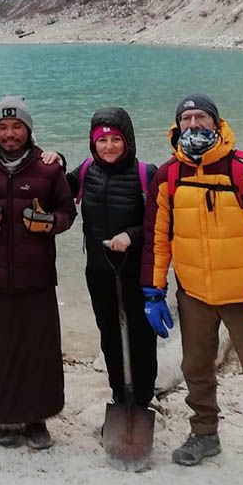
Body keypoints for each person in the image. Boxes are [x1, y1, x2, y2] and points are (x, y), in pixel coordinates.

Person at [141, 94, 243, 485]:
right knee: (195, 368)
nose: (194, 125)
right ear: (176, 126)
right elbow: (157, 240)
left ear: (216, 122)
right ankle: (205, 433)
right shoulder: (169, 177)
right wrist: (154, 292)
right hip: (193, 294)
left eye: (201, 117)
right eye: (186, 118)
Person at [0, 96, 76, 450]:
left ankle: (38, 420)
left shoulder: (48, 169)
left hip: (37, 278)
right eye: (3, 127)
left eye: (17, 127)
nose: (10, 134)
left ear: (28, 129)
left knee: (39, 350)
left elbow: (68, 212)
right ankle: (4, 420)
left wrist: (51, 223)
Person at [57, 108, 158, 410]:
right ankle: (119, 394)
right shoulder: (87, 170)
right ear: (93, 143)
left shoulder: (145, 174)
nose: (109, 146)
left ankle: (142, 399)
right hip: (99, 271)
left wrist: (131, 235)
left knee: (141, 335)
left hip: (135, 270)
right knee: (110, 334)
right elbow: (56, 190)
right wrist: (54, 159)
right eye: (102, 140)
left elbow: (162, 224)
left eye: (116, 139)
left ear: (128, 141)